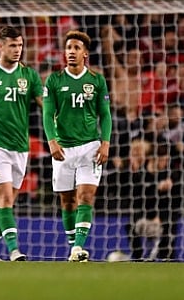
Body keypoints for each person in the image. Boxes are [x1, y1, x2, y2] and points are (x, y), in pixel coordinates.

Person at [42, 30, 111, 262]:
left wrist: (105, 143)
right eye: (68, 48)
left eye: (76, 48)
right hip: (63, 148)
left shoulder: (96, 80)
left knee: (85, 195)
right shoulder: (54, 80)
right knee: (67, 200)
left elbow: (106, 115)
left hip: (90, 147)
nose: (71, 52)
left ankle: (78, 247)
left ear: (85, 54)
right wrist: (51, 141)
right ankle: (75, 247)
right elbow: (47, 113)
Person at [0, 26, 43, 262]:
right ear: (1, 46)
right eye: (13, 45)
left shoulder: (29, 76)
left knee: (5, 202)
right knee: (5, 198)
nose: (17, 50)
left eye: (20, 45)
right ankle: (14, 250)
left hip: (21, 147)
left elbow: (44, 106)